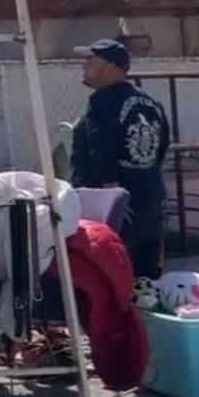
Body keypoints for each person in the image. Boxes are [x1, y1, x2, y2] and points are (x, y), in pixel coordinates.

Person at [70, 38, 170, 279]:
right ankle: (146, 314)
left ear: (110, 66)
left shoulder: (103, 101)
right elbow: (162, 147)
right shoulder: (151, 103)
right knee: (146, 274)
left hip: (114, 204)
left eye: (90, 60)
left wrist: (111, 196)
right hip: (149, 196)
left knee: (113, 270)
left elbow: (101, 149)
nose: (84, 66)